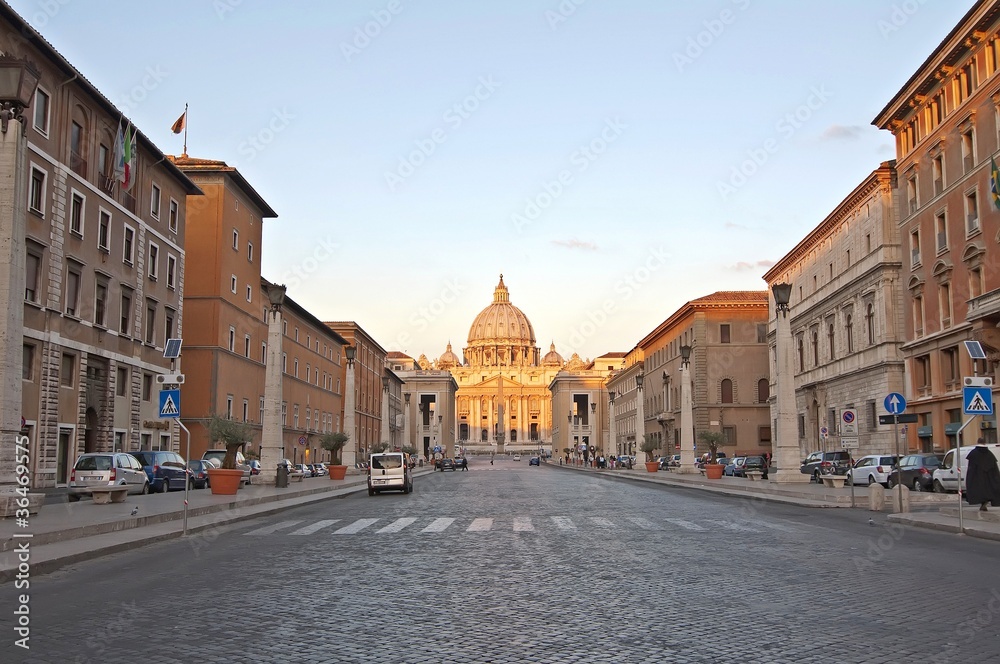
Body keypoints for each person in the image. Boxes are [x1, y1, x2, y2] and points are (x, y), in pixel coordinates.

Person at [965, 438, 1000, 512]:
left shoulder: (973, 453)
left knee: (979, 491)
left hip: (977, 478)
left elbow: (970, 468)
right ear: (984, 443)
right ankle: (985, 502)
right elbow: (995, 469)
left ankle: (982, 502)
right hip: (988, 478)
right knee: (989, 490)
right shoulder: (990, 454)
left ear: (977, 442)